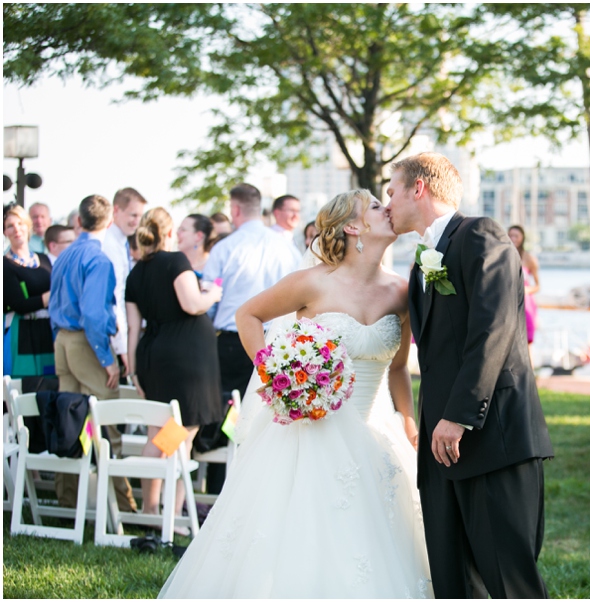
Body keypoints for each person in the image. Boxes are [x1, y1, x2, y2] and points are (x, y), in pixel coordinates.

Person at [159, 189, 431, 598]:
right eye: (376, 205)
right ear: (353, 226)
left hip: (376, 429)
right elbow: (247, 315)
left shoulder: (401, 291)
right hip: (312, 430)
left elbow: (396, 368)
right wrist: (280, 375)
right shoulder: (312, 282)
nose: (388, 209)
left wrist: (408, 421)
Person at [387, 152, 553, 598]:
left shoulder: (480, 234)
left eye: (391, 191)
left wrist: (459, 415)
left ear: (418, 188)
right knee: (452, 580)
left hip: (490, 437)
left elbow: (493, 329)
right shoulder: (423, 257)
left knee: (508, 580)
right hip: (440, 449)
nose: (387, 203)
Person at [125, 207, 223, 530]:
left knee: (162, 432)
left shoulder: (135, 273)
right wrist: (212, 293)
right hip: (186, 362)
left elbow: (132, 328)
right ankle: (169, 513)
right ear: (168, 234)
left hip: (153, 357)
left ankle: (156, 510)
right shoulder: (176, 262)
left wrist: (134, 370)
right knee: (181, 434)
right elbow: (192, 304)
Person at [199, 183, 300, 494]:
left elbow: (209, 298)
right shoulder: (286, 248)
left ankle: (219, 490)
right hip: (275, 341)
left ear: (235, 210)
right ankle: (260, 488)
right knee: (267, 414)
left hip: (231, 341)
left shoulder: (225, 248)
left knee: (225, 413)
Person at [48, 194, 136, 513]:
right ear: (110, 220)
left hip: (63, 341)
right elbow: (94, 316)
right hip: (86, 342)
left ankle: (67, 500)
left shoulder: (65, 255)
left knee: (67, 421)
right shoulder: (98, 260)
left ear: (79, 221)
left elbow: (54, 304)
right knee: (106, 421)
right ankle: (124, 507)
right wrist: (107, 359)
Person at [3, 204, 54, 383]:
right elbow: (19, 304)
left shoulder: (45, 258)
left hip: (48, 331)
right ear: (5, 232)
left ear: (27, 225)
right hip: (22, 335)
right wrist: (49, 297)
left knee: (51, 383)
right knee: (27, 387)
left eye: (20, 223)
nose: (17, 229)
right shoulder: (6, 265)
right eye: (10, 226)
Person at [101, 187, 147, 380]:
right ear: (116, 210)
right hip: (113, 339)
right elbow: (114, 298)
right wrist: (123, 347)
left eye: (140, 216)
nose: (136, 221)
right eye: (132, 215)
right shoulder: (109, 244)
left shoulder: (121, 242)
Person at [507, 225, 540, 345]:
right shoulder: (503, 256)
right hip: (508, 300)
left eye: (516, 236)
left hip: (525, 302)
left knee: (527, 340)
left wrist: (526, 290)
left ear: (522, 238)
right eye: (510, 235)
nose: (513, 238)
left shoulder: (529, 258)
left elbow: (537, 285)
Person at [176, 213, 217, 277]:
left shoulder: (215, 265)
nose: (177, 233)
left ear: (199, 236)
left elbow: (219, 284)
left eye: (183, 230)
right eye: (179, 229)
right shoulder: (174, 263)